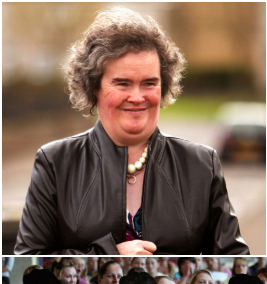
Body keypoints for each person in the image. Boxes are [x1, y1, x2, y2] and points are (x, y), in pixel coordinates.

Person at [14, 7, 249, 255]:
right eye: (122, 83)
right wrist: (109, 256)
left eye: (149, 83)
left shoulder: (202, 164)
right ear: (95, 87)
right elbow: (29, 261)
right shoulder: (55, 163)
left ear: (163, 86)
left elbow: (235, 261)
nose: (137, 97)